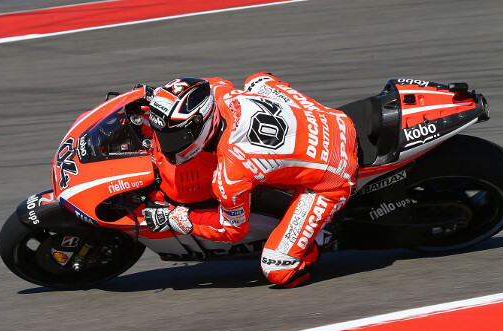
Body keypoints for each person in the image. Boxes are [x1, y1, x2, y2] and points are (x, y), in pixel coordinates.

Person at [143, 73, 358, 288]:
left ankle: (319, 237)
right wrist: (161, 100)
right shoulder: (217, 92)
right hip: (331, 119)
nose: (166, 144)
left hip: (335, 172)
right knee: (257, 81)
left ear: (202, 124)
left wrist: (179, 219)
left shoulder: (230, 174)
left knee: (278, 268)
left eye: (176, 137)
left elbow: (232, 230)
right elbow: (213, 83)